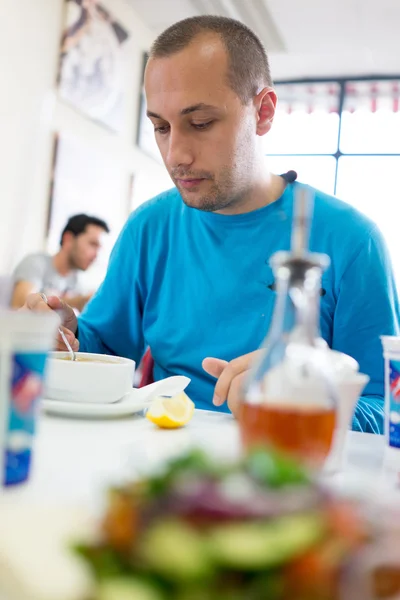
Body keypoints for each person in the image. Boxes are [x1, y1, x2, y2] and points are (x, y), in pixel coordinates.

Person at [26, 16, 399, 433]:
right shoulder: (150, 227)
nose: (175, 154)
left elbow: (388, 411)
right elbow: (106, 346)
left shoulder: (350, 240)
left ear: (264, 112)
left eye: (200, 123)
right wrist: (70, 334)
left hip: (288, 470)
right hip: (162, 458)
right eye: (160, 127)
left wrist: (309, 394)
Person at [12, 214, 109, 311]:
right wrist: (76, 302)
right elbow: (22, 305)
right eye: (92, 244)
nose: (96, 255)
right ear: (68, 239)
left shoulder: (77, 282)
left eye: (99, 248)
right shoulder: (35, 263)